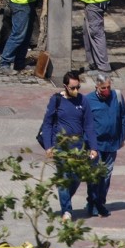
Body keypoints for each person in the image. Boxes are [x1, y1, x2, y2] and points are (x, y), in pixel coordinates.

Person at [36, 69, 89, 220]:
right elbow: (47, 124)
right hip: (61, 143)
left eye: (78, 87)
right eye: (73, 87)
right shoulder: (56, 100)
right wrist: (48, 146)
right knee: (64, 176)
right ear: (65, 86)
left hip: (78, 144)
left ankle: (65, 198)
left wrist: (92, 147)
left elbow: (89, 125)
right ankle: (67, 210)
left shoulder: (82, 100)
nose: (76, 90)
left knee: (77, 176)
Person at [81, 72, 125, 218]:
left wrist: (122, 136)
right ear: (97, 87)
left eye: (108, 87)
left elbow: (124, 118)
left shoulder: (117, 96)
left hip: (112, 144)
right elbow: (83, 124)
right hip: (95, 146)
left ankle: (100, 202)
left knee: (106, 176)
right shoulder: (88, 100)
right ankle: (93, 202)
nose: (106, 91)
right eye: (103, 88)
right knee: (95, 176)